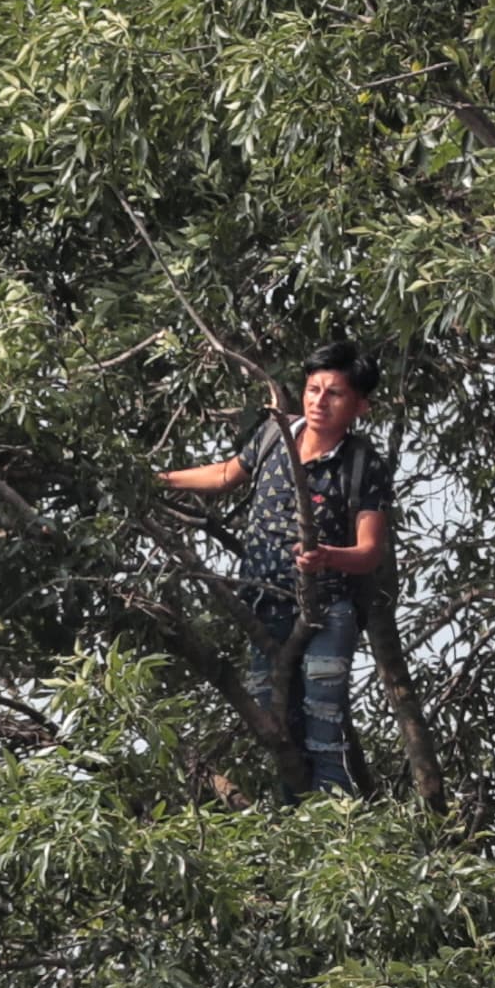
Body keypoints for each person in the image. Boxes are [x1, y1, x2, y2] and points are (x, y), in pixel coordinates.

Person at [156, 339, 395, 793]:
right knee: (274, 722)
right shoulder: (276, 433)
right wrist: (157, 480)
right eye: (312, 389)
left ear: (360, 406)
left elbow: (369, 552)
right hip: (264, 604)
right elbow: (227, 474)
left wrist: (327, 557)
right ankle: (292, 817)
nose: (319, 401)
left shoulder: (364, 464)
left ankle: (335, 827)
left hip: (326, 610)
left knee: (325, 724)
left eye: (335, 394)